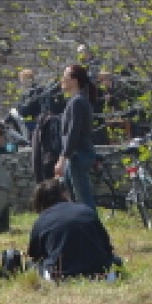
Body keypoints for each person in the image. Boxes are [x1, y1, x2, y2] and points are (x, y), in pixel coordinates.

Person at [27, 179, 119, 280]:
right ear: (64, 194)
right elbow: (106, 246)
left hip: (61, 276)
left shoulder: (42, 220)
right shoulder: (86, 211)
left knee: (33, 265)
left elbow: (35, 255)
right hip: (100, 273)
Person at [54, 65, 98, 209]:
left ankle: (92, 228)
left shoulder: (77, 102)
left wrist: (62, 159)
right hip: (76, 156)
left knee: (83, 199)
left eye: (65, 75)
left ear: (74, 80)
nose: (62, 79)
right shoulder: (77, 101)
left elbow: (73, 132)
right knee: (72, 197)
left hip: (79, 155)